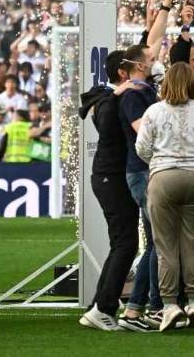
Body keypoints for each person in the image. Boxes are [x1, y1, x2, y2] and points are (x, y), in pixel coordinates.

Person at [135, 62, 194, 331]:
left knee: (165, 245)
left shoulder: (154, 111)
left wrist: (158, 165)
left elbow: (141, 147)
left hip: (164, 176)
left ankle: (170, 303)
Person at [79, 50, 140, 332]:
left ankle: (99, 305)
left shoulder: (111, 95)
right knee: (126, 243)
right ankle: (103, 308)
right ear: (123, 73)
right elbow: (105, 125)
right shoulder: (106, 97)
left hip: (112, 176)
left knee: (122, 243)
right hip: (110, 177)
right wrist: (116, 95)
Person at [117, 44, 160, 326]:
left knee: (156, 242)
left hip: (145, 170)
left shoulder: (142, 91)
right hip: (142, 171)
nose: (156, 63)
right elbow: (142, 130)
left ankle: (139, 308)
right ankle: (147, 306)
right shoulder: (133, 95)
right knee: (158, 242)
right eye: (152, 60)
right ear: (140, 65)